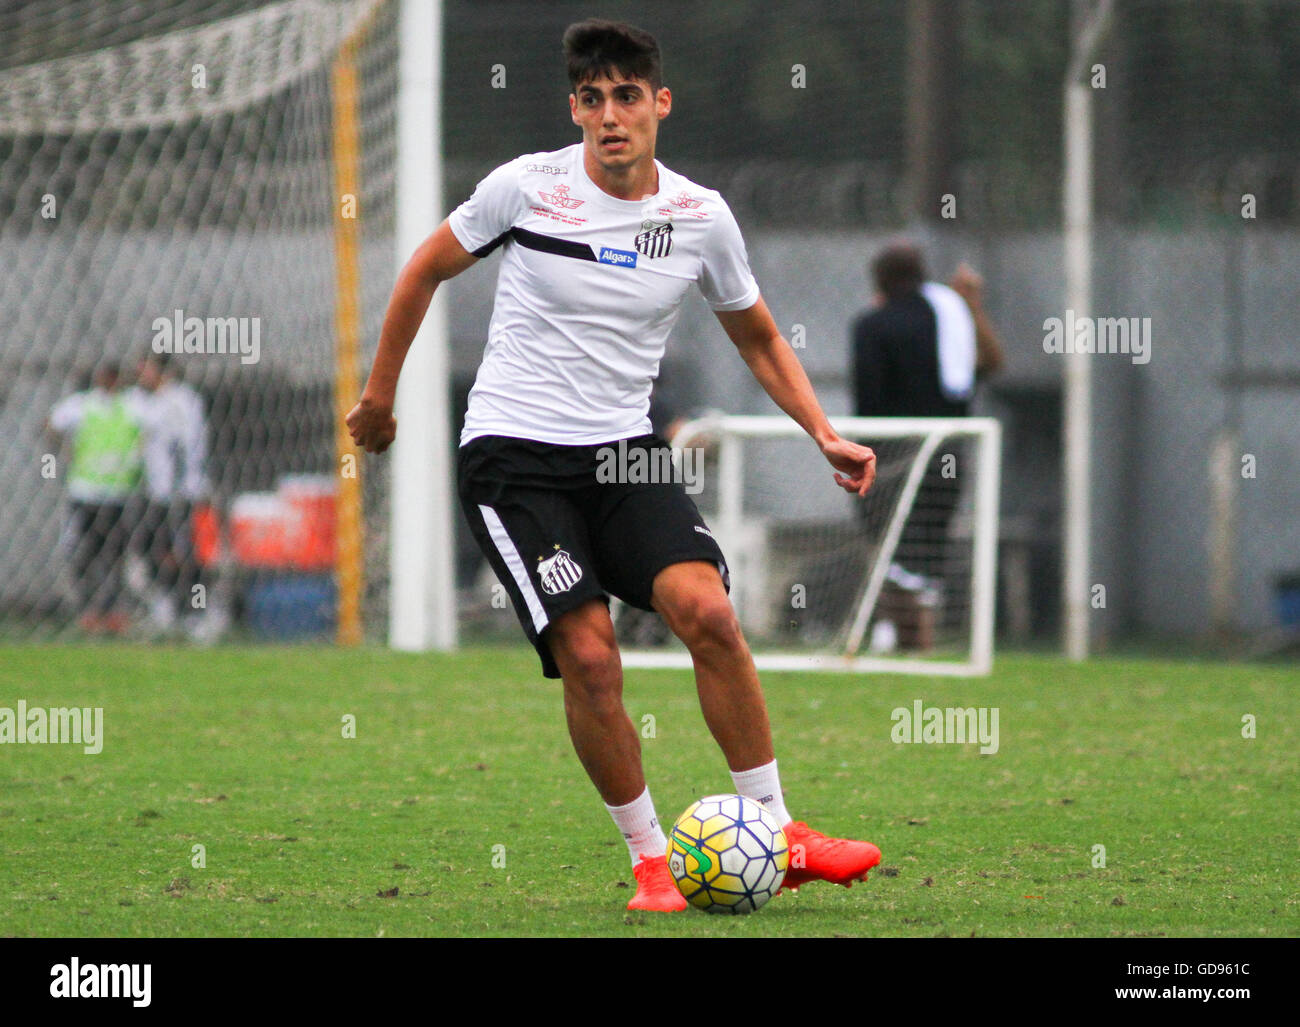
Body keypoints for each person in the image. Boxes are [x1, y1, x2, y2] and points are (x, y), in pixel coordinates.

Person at [348, 19, 882, 912]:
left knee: (707, 610)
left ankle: (780, 831)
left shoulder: (700, 216)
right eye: (592, 99)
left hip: (624, 456)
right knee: (593, 658)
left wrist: (821, 431)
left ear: (659, 103)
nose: (610, 116)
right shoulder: (525, 187)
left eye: (627, 96)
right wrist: (379, 395)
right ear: (576, 109)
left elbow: (756, 334)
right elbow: (421, 272)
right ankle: (648, 860)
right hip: (514, 460)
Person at [850, 243, 1004, 646]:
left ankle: (897, 632)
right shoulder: (951, 318)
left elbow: (868, 399)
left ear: (880, 280)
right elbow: (990, 364)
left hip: (893, 452)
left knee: (890, 547)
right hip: (949, 451)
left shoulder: (872, 325)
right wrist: (970, 305)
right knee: (929, 543)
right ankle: (920, 636)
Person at [48, 362, 145, 635]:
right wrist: (64, 449)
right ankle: (89, 610)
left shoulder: (133, 404)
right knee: (85, 553)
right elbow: (50, 423)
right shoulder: (82, 404)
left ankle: (113, 612)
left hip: (119, 492)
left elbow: (152, 428)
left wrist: (140, 453)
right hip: (86, 491)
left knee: (115, 555)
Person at [130, 354, 209, 635]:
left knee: (187, 554)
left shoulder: (182, 400)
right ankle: (167, 609)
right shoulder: (145, 401)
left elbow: (186, 446)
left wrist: (180, 486)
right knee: (151, 551)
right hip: (156, 492)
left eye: (146, 367)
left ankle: (197, 614)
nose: (141, 372)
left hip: (181, 493)